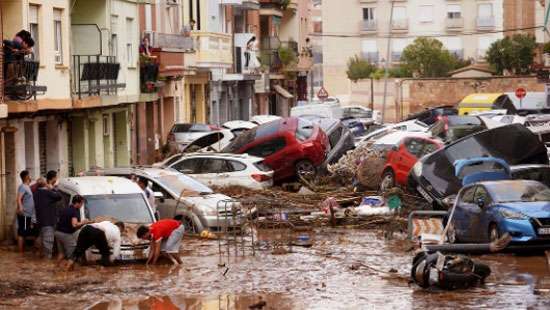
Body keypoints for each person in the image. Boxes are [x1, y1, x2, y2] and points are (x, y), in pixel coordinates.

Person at [34, 170, 62, 259]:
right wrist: (53, 188)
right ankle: (47, 265)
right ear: (53, 178)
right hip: (48, 222)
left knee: (43, 244)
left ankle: (42, 263)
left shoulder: (36, 193)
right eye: (56, 177)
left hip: (40, 221)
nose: (57, 179)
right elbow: (59, 196)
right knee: (48, 245)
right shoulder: (47, 193)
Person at [55, 195, 89, 262]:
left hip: (57, 233)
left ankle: (56, 268)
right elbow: (74, 224)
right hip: (65, 234)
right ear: (77, 203)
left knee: (61, 254)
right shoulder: (74, 211)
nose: (82, 205)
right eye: (82, 203)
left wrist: (89, 222)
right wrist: (83, 222)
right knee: (72, 255)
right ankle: (68, 271)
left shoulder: (66, 208)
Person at [16, 170, 37, 254]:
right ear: (26, 177)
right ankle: (21, 253)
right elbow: (18, 198)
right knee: (22, 233)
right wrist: (21, 207)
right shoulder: (23, 187)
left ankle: (22, 252)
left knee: (25, 233)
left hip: (28, 215)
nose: (30, 177)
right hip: (24, 214)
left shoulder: (27, 186)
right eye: (29, 175)